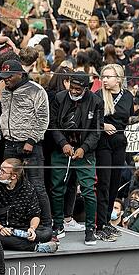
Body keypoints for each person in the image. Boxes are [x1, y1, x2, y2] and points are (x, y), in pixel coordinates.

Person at [0, 59, 52, 228]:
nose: (6, 80)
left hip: (30, 146)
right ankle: (13, 221)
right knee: (7, 183)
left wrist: (31, 141)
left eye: (9, 76)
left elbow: (43, 119)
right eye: (3, 77)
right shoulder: (4, 91)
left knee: (36, 185)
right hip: (10, 143)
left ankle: (47, 224)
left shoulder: (37, 90)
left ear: (20, 74)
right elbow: (4, 116)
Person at [48, 71, 102, 244]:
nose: (74, 91)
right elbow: (53, 124)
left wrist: (84, 149)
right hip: (61, 150)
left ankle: (90, 229)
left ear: (86, 88)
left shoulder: (96, 101)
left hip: (85, 153)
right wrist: (63, 143)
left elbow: (97, 131)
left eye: (78, 89)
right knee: (57, 188)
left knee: (88, 190)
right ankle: (58, 224)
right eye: (72, 87)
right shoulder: (59, 97)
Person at [0, 159, 57, 253]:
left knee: (47, 232)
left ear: (13, 176)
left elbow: (35, 214)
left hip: (20, 228)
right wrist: (0, 228)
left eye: (3, 171)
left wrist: (32, 229)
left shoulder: (28, 188)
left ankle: (20, 241)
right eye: (0, 169)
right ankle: (35, 247)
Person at [95, 63, 133, 241]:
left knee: (114, 183)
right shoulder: (97, 96)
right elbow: (89, 118)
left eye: (108, 77)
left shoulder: (128, 96)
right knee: (103, 183)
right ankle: (100, 223)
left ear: (118, 79)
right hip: (103, 144)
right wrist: (103, 125)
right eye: (103, 77)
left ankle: (108, 221)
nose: (105, 80)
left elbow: (126, 118)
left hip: (119, 143)